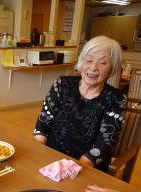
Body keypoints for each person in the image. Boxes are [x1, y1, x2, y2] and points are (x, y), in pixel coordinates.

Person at [33, 36, 127, 172]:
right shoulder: (62, 84)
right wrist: (38, 154)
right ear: (81, 61)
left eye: (103, 63)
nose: (93, 67)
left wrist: (73, 169)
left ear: (112, 68)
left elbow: (104, 143)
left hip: (87, 166)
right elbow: (42, 125)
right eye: (88, 60)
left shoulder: (117, 99)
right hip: (50, 159)